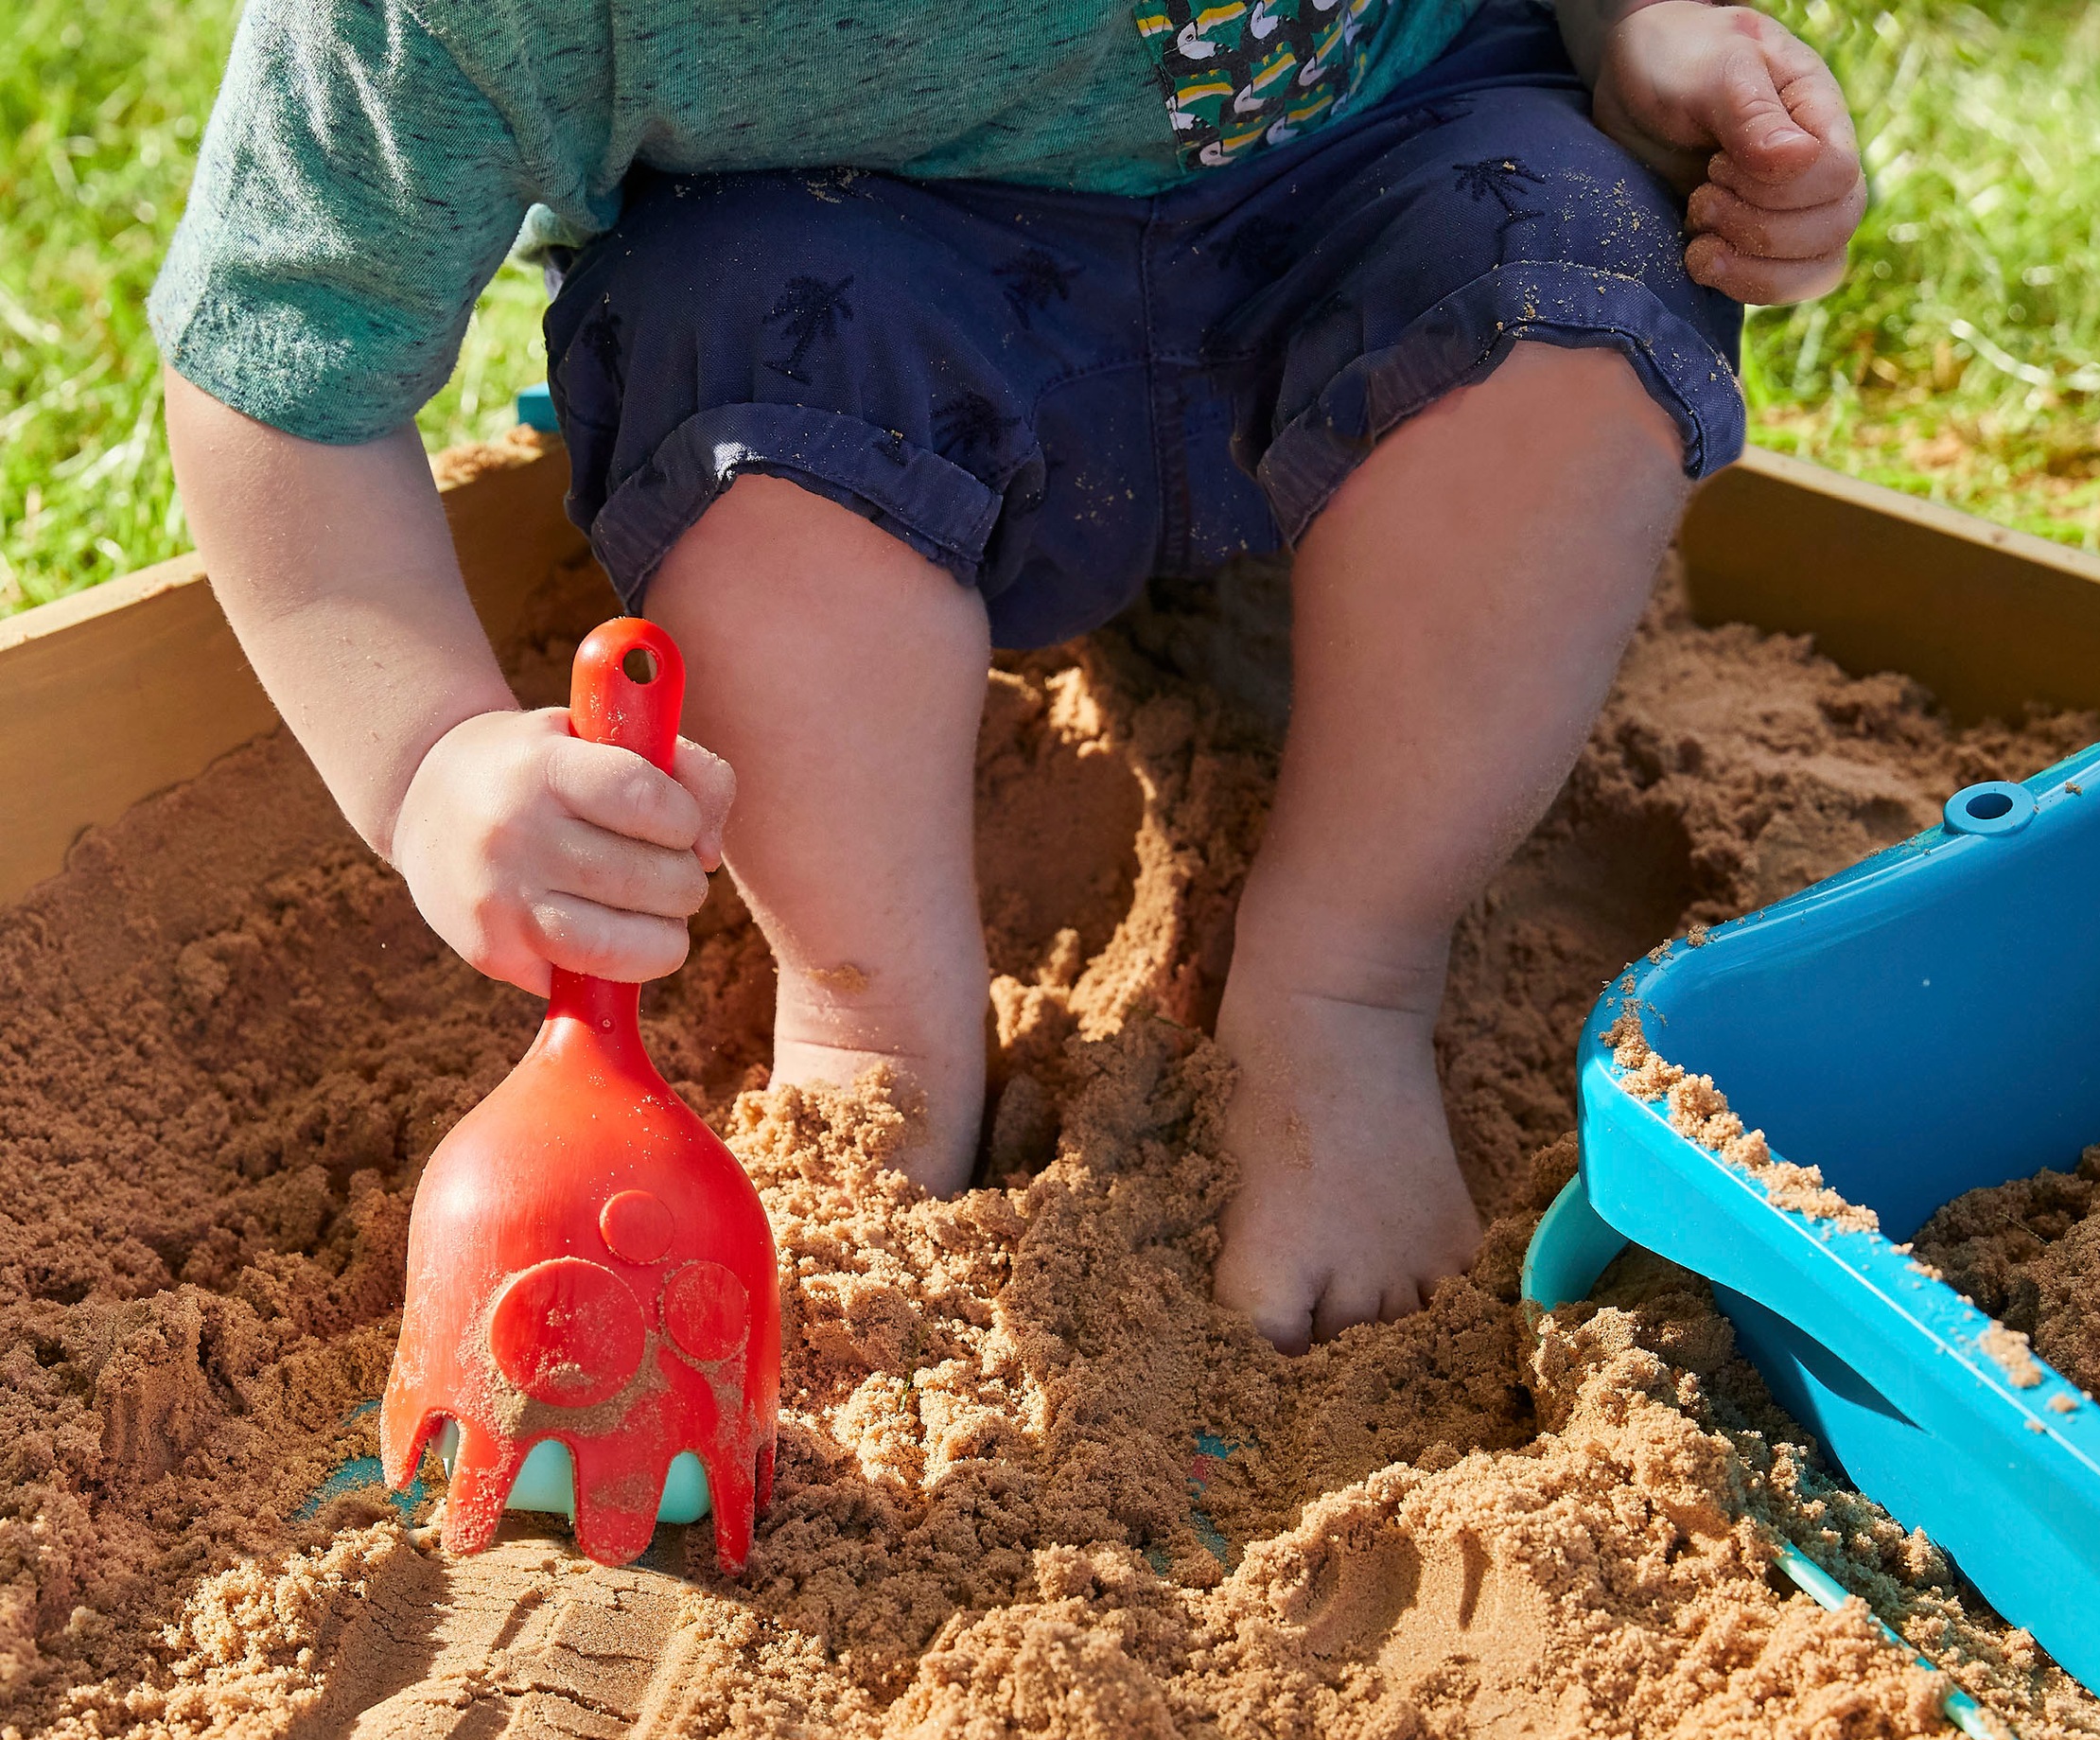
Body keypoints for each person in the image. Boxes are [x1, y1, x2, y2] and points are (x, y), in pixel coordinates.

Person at [155, 0, 1862, 1352]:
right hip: (853, 311)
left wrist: (1646, 24)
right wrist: (435, 758)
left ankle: (1343, 979)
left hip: (1379, 207)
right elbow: (276, 366)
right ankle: (878, 1027)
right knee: (736, 378)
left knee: (1570, 287)